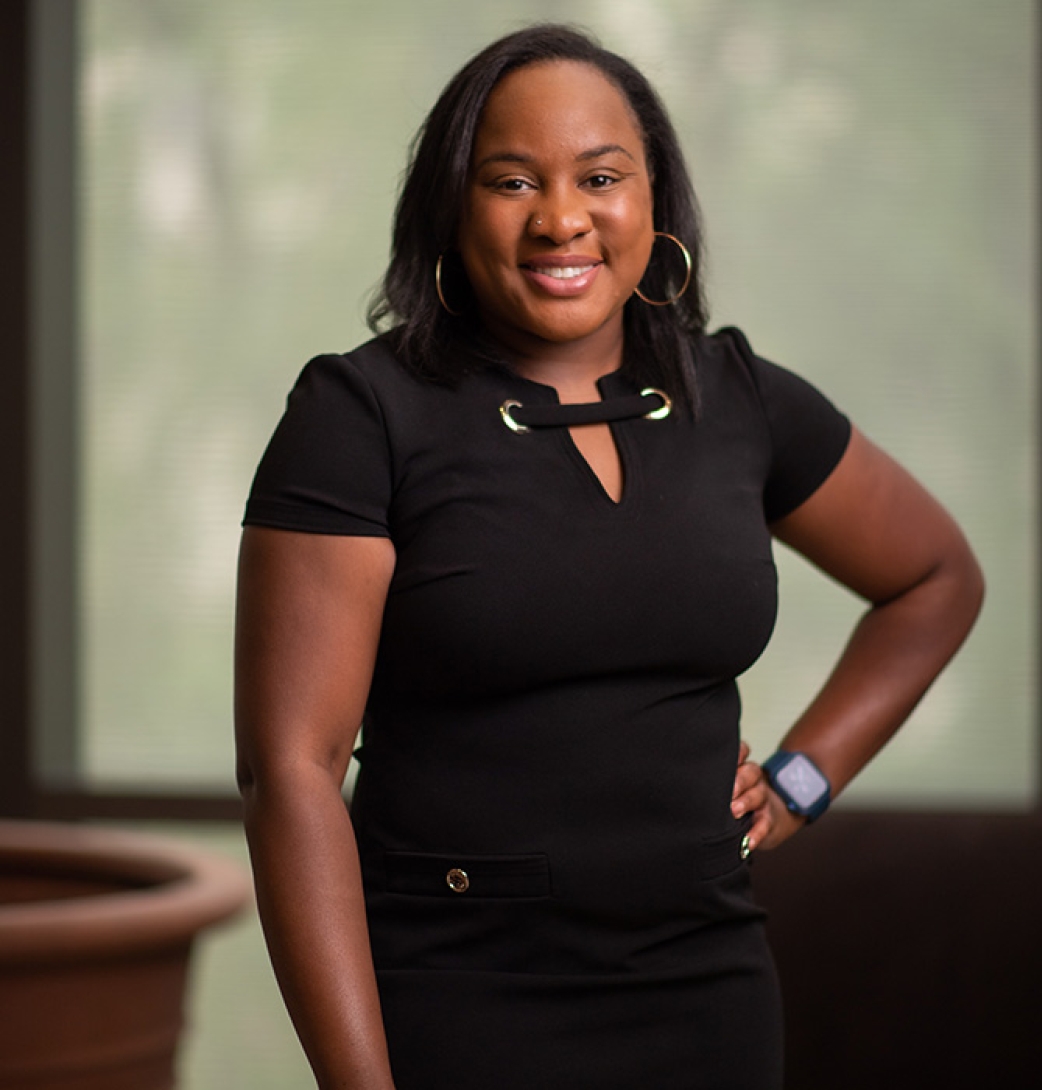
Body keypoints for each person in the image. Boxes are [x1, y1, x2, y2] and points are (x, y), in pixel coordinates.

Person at [234, 23, 984, 1090]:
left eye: (600, 175)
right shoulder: (361, 414)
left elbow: (935, 579)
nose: (561, 217)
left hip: (703, 992)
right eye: (510, 181)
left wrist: (802, 777)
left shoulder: (739, 398)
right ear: (452, 206)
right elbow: (289, 773)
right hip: (456, 992)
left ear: (654, 202)